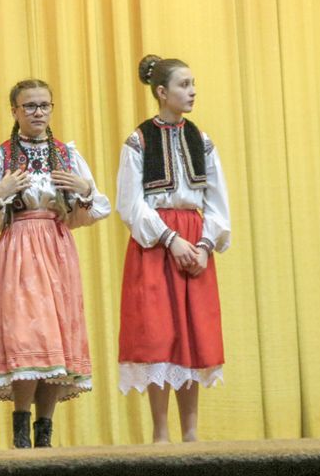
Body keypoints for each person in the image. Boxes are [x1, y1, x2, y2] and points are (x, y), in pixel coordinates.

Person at [0, 79, 110, 448]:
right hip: (19, 245)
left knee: (57, 339)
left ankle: (44, 433)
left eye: (44, 105)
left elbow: (92, 212)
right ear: (14, 111)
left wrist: (84, 190)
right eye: (29, 106)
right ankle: (20, 431)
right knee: (26, 334)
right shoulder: (1, 156)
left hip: (57, 246)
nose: (37, 112)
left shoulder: (66, 155)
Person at [117, 55, 230, 443]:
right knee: (158, 332)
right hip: (156, 242)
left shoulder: (202, 140)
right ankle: (161, 432)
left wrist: (204, 245)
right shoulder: (139, 141)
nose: (192, 91)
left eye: (193, 83)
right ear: (162, 92)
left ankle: (192, 432)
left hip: (195, 243)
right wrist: (170, 239)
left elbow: (217, 199)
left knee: (192, 331)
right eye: (184, 84)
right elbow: (130, 204)